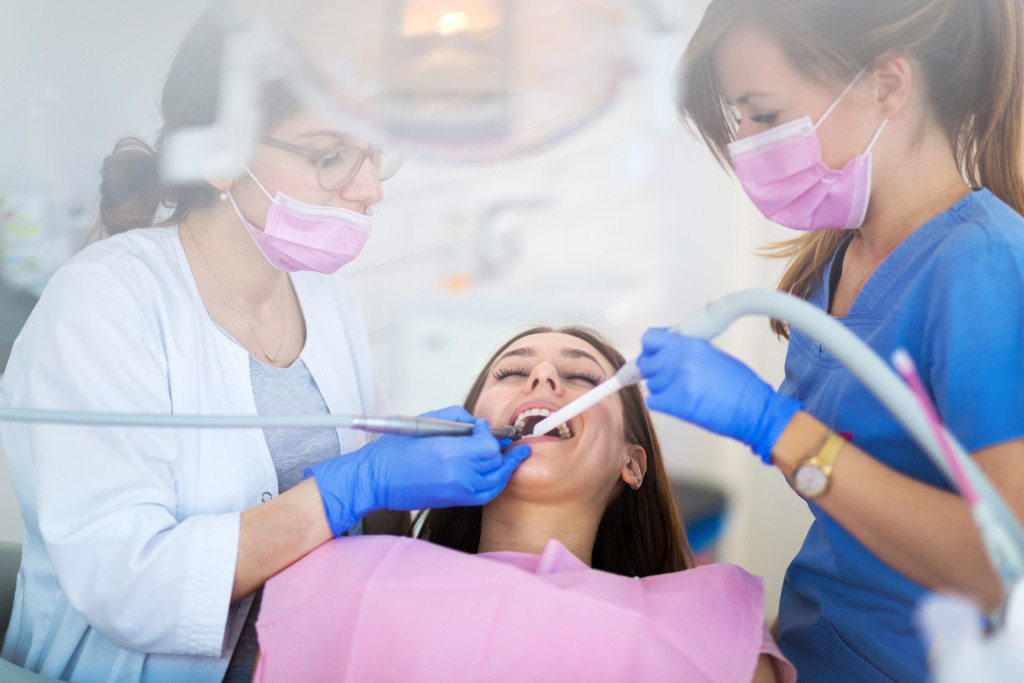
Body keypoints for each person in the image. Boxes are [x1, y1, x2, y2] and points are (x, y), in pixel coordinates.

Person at [0, 7, 529, 682]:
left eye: (374, 152)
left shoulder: (327, 303)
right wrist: (348, 487)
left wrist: (426, 468)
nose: (368, 188)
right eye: (332, 155)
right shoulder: (106, 302)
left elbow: (370, 520)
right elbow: (126, 585)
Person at [634, 0, 1024, 680]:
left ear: (887, 85)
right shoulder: (838, 257)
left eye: (765, 114)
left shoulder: (981, 268)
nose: (748, 144)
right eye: (739, 120)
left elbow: (1003, 566)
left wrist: (774, 425)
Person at [253, 327, 796, 683]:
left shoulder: (711, 627)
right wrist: (364, 485)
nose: (543, 377)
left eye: (583, 377)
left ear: (631, 463)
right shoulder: (340, 578)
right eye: (512, 372)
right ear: (462, 429)